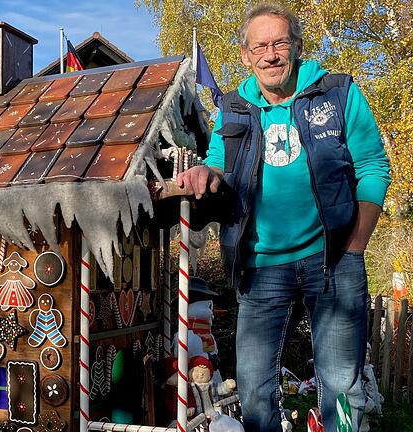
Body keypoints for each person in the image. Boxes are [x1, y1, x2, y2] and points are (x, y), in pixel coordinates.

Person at [177, 3, 390, 432]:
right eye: (261, 46)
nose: (271, 54)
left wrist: (356, 246)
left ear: (296, 47)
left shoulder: (336, 93)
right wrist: (205, 171)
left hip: (332, 258)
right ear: (245, 54)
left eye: (280, 43)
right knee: (254, 389)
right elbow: (220, 163)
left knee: (341, 386)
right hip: (260, 265)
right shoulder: (232, 108)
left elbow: (372, 166)